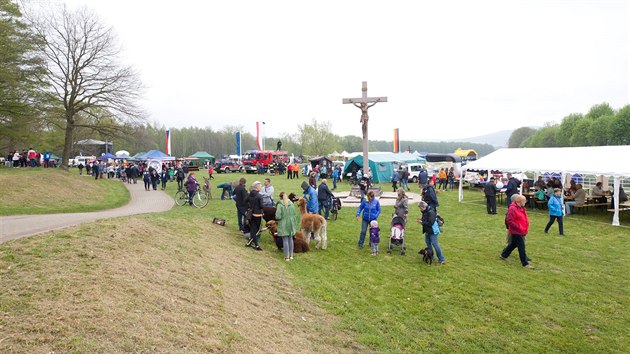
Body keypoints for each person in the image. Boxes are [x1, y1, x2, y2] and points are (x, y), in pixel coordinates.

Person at [500, 195, 534, 269]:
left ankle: (504, 255)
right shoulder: (513, 208)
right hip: (516, 231)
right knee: (521, 246)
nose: (525, 202)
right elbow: (509, 220)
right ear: (520, 201)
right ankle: (525, 263)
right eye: (524, 201)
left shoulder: (521, 208)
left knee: (513, 244)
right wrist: (518, 227)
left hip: (521, 230)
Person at [417, 201, 445, 265]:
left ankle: (441, 259)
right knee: (428, 243)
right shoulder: (425, 212)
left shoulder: (431, 212)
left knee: (435, 244)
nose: (420, 210)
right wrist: (421, 219)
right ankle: (431, 256)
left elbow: (430, 223)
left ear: (424, 207)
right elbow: (426, 219)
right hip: (428, 230)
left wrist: (422, 222)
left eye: (420, 208)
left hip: (433, 231)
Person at [275, 192, 298, 261]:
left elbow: (278, 216)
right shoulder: (291, 204)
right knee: (290, 238)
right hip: (291, 223)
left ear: (280, 197)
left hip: (283, 223)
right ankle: (291, 255)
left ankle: (286, 256)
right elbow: (294, 213)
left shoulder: (280, 205)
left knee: (285, 239)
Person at [246, 181, 264, 250]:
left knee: (253, 229)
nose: (261, 187)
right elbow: (261, 206)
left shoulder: (250, 195)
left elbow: (245, 201)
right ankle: (255, 244)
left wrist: (249, 208)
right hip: (258, 214)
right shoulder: (259, 196)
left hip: (251, 214)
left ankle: (251, 243)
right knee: (257, 230)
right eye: (260, 186)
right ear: (257, 187)